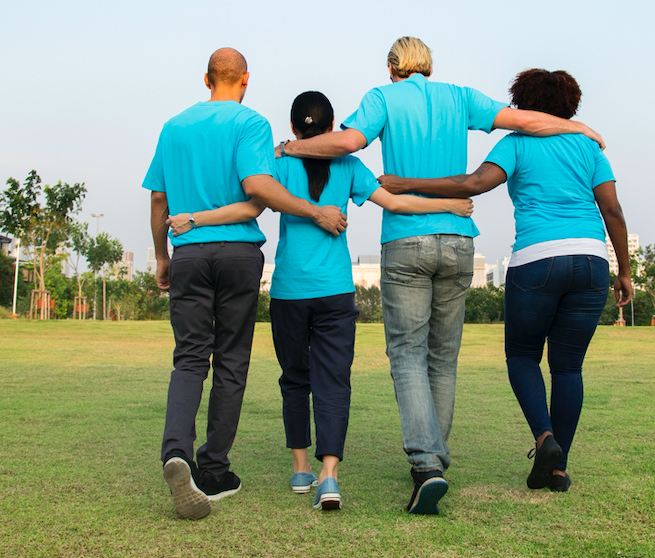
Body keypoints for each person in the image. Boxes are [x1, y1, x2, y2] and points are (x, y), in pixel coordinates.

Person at [277, 37, 605, 514]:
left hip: (406, 240)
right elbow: (525, 119)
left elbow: (348, 142)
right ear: (428, 64)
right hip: (459, 240)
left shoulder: (382, 98)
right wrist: (579, 127)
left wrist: (291, 146)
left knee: (407, 354)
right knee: (443, 357)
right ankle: (435, 459)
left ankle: (426, 465)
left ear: (393, 65)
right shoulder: (462, 96)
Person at [166, 91, 473, 511]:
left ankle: (300, 468)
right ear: (331, 130)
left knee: (294, 380)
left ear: (294, 128)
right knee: (334, 381)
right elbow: (397, 203)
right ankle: (329, 477)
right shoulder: (348, 165)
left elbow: (247, 204)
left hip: (289, 291)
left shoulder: (275, 163)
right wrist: (451, 206)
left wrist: (194, 218)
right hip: (335, 292)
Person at [378, 68, 632, 493]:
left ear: (524, 103)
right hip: (591, 261)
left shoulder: (516, 144)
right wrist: (623, 270)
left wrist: (407, 183)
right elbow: (614, 211)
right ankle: (557, 468)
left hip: (538, 260)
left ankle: (544, 438)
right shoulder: (589, 148)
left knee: (522, 357)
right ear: (571, 105)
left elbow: (473, 184)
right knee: (568, 367)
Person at [142, 49, 346, 520]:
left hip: (188, 252)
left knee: (190, 357)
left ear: (207, 78)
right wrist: (315, 211)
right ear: (246, 80)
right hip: (237, 254)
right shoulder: (251, 123)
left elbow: (158, 198)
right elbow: (257, 188)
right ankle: (214, 470)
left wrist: (160, 253)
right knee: (231, 361)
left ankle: (177, 452)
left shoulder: (173, 127)